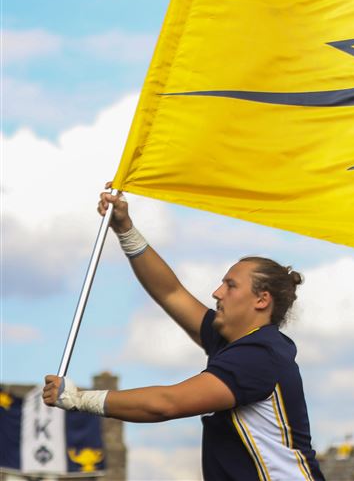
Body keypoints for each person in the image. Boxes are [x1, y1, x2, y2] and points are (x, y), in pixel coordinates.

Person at [42, 184, 323, 480]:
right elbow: (171, 292)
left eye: (230, 285)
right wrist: (125, 228)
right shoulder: (235, 343)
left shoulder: (259, 356)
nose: (216, 292)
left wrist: (79, 399)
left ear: (262, 300)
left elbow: (165, 404)